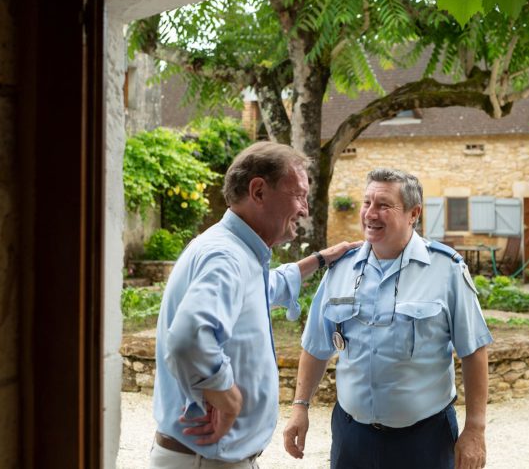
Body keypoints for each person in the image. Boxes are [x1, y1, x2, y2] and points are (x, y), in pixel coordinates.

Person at [150, 141, 360, 468]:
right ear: (259, 191)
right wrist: (227, 396)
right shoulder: (226, 257)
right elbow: (189, 338)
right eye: (299, 195)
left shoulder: (236, 252)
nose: (305, 209)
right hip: (205, 461)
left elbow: (262, 289)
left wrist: (319, 260)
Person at [283, 168, 492, 469]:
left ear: (413, 213)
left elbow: (474, 350)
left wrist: (475, 428)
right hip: (352, 436)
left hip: (425, 439)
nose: (371, 213)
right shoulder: (340, 269)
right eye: (366, 203)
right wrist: (299, 408)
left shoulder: (446, 270)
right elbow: (316, 345)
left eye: (383, 205)